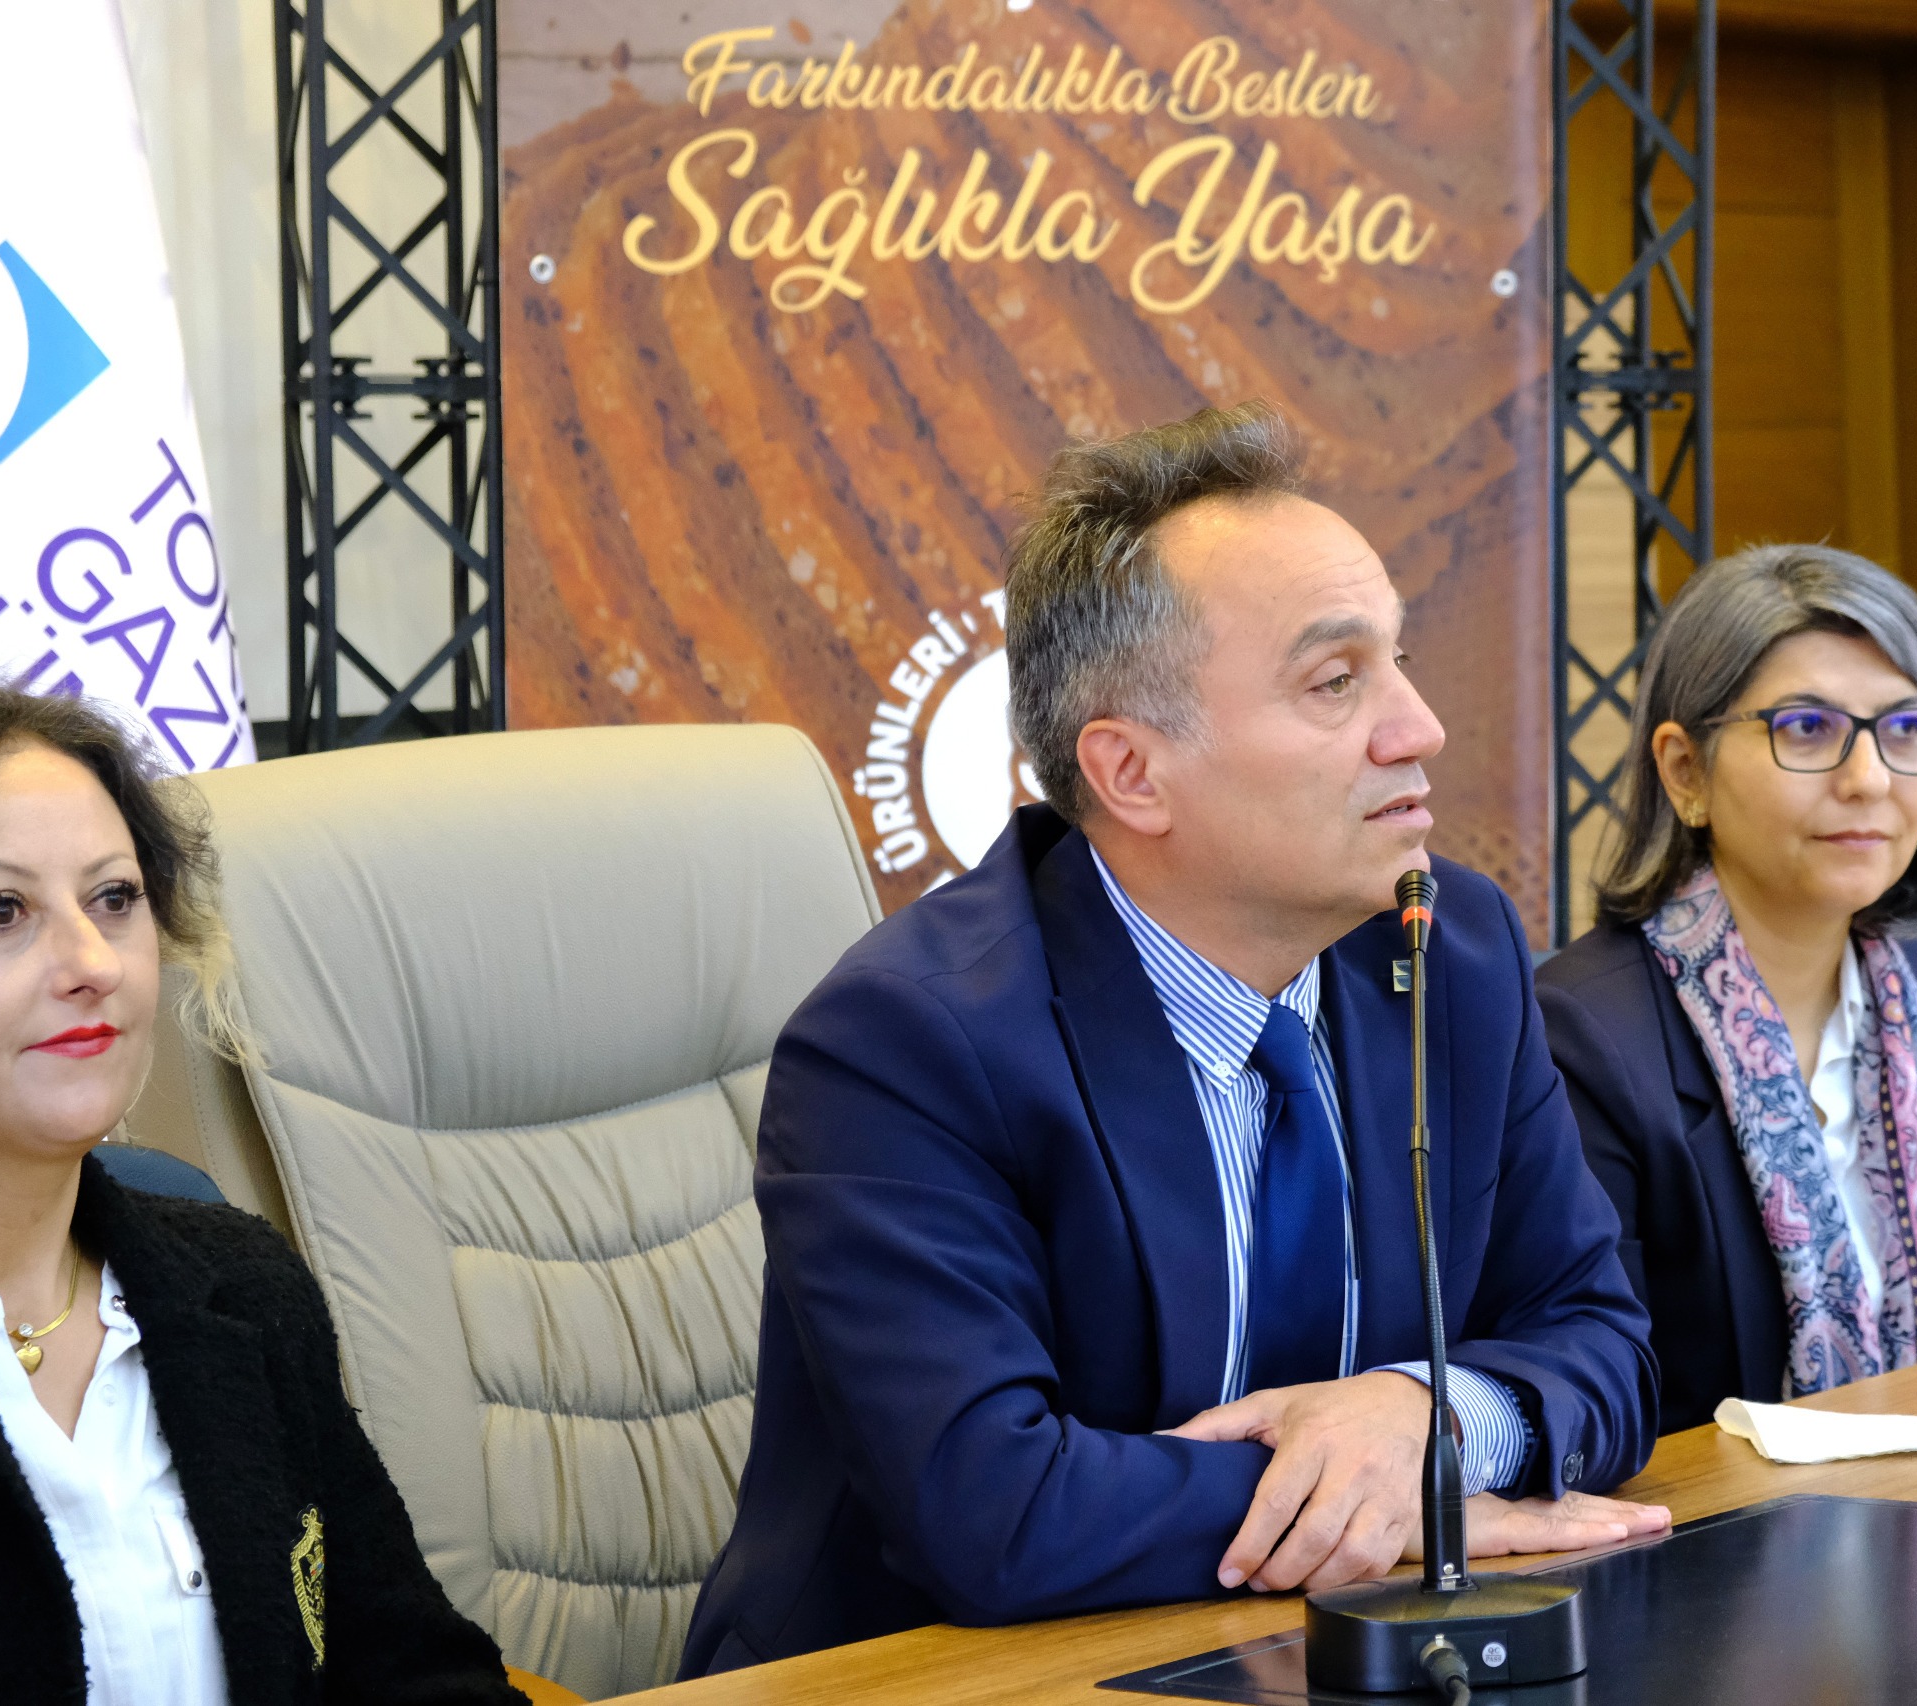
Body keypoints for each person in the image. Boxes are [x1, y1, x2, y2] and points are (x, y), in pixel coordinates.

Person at [682, 403, 1665, 1673]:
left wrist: (1425, 1418)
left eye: (1399, 659)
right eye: (1335, 682)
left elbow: (1600, 1337)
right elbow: (990, 1505)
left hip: (1305, 1655)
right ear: (1131, 772)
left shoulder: (1448, 949)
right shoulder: (907, 1042)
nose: (1417, 725)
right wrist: (1398, 1508)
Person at [0, 690, 524, 1705]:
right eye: (2, 911)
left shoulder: (239, 1287)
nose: (94, 963)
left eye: (115, 897)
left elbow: (412, 1670)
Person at [1536, 544, 1917, 1436]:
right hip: (1708, 1516)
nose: (1869, 779)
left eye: (1906, 729)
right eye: (1808, 729)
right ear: (1686, 771)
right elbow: (1596, 1397)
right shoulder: (1585, 1036)